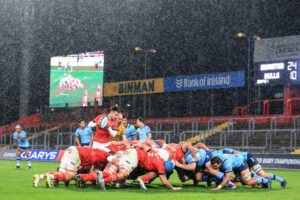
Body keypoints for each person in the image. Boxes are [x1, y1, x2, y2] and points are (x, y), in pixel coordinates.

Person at [32, 146, 110, 188]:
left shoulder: (91, 150)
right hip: (75, 154)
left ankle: (39, 176)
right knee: (69, 176)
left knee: (61, 173)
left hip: (69, 150)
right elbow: (88, 169)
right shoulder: (96, 157)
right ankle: (50, 176)